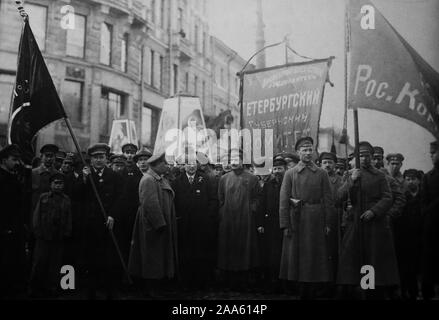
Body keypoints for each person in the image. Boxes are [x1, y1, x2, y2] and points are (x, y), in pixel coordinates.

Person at [337, 141, 399, 299]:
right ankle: (352, 292)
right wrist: (352, 180)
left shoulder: (380, 176)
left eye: (367, 156)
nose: (364, 159)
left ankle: (370, 292)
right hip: (355, 224)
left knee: (372, 261)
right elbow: (338, 198)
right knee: (351, 261)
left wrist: (374, 211)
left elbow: (387, 197)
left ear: (372, 157)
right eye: (361, 155)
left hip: (374, 227)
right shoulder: (349, 174)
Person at [279, 137, 335, 299]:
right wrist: (285, 224)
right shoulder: (290, 174)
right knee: (298, 255)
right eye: (304, 150)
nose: (308, 153)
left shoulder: (322, 173)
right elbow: (283, 200)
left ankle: (314, 288)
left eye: (310, 149)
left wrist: (328, 223)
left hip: (316, 219)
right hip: (297, 219)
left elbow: (328, 200)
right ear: (298, 152)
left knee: (315, 255)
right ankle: (300, 288)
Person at [128, 153, 178, 298]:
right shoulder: (148, 180)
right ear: (156, 166)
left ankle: (157, 286)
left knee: (157, 256)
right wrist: (160, 224)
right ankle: (151, 288)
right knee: (152, 257)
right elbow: (150, 204)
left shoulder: (159, 179)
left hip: (159, 224)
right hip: (153, 226)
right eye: (164, 164)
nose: (167, 166)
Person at [81, 143, 123, 299]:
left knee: (109, 260)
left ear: (106, 158)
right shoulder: (86, 175)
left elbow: (120, 198)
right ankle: (90, 291)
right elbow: (77, 196)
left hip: (108, 224)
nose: (98, 160)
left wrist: (113, 215)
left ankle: (110, 291)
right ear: (90, 159)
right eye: (95, 157)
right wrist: (84, 179)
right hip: (91, 225)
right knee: (91, 259)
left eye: (101, 157)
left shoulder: (115, 176)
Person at [172, 154, 217, 290]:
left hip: (201, 225)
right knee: (185, 253)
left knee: (201, 252)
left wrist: (207, 217)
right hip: (184, 224)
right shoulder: (177, 181)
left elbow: (213, 200)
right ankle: (186, 282)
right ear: (184, 166)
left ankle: (201, 282)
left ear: (197, 165)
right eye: (188, 163)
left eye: (194, 163)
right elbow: (174, 202)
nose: (191, 166)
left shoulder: (206, 180)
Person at [217, 149, 260, 291]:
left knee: (244, 248)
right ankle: (229, 281)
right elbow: (221, 198)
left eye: (238, 159)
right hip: (228, 220)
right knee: (228, 248)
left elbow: (256, 198)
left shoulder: (252, 178)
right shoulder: (224, 178)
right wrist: (224, 213)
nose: (234, 162)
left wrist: (250, 209)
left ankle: (244, 280)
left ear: (243, 161)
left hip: (245, 219)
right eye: (232, 159)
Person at [29, 172, 72, 298]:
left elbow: (69, 217)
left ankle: (52, 288)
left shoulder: (66, 199)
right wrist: (37, 232)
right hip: (43, 236)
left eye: (61, 183)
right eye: (56, 183)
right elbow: (36, 216)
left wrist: (67, 232)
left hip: (58, 237)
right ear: (50, 184)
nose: (58, 186)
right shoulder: (43, 198)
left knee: (55, 264)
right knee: (39, 263)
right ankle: (34, 288)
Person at [0, 144, 27, 298]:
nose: (17, 163)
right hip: (4, 231)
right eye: (14, 159)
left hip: (15, 230)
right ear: (4, 160)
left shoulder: (14, 177)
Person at [257, 157, 286, 293]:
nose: (277, 171)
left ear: (285, 169)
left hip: (284, 223)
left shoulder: (288, 183)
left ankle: (284, 283)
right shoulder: (268, 185)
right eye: (275, 169)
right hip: (270, 224)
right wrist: (260, 223)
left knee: (283, 254)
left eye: (280, 168)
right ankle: (270, 282)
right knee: (270, 254)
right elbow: (261, 205)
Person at [393, 169, 423, 300]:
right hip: (404, 236)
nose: (411, 181)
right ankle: (405, 290)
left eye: (413, 178)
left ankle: (418, 290)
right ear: (404, 180)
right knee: (405, 265)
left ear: (419, 180)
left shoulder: (423, 196)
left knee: (419, 265)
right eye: (408, 179)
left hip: (420, 235)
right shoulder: (402, 196)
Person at [420, 140, 439, 300]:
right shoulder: (428, 177)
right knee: (429, 263)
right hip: (431, 227)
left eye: (434, 153)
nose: (431, 156)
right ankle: (428, 293)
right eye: (431, 153)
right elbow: (423, 204)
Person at [319, 152, 343, 279]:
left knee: (333, 251)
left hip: (335, 219)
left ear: (334, 164)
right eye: (325, 162)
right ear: (320, 164)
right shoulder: (316, 178)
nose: (327, 165)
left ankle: (333, 281)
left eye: (330, 162)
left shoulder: (340, 180)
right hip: (318, 219)